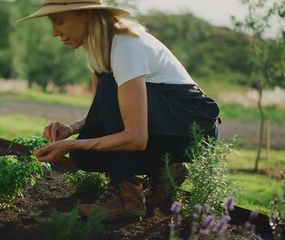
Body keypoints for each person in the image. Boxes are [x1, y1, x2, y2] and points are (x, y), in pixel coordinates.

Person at [18, 0, 221, 220]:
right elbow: (103, 110)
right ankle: (165, 169)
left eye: (59, 21)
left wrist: (70, 143)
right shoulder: (99, 50)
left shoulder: (125, 46)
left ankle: (127, 193)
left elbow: (136, 137)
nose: (54, 32)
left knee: (105, 94)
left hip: (192, 126)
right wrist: (71, 129)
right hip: (169, 123)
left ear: (87, 15)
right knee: (83, 155)